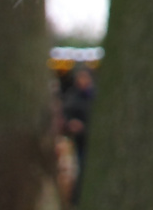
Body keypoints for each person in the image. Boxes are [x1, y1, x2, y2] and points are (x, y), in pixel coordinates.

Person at [59, 67, 95, 202]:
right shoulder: (73, 96)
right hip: (80, 139)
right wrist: (71, 123)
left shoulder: (94, 96)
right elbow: (66, 115)